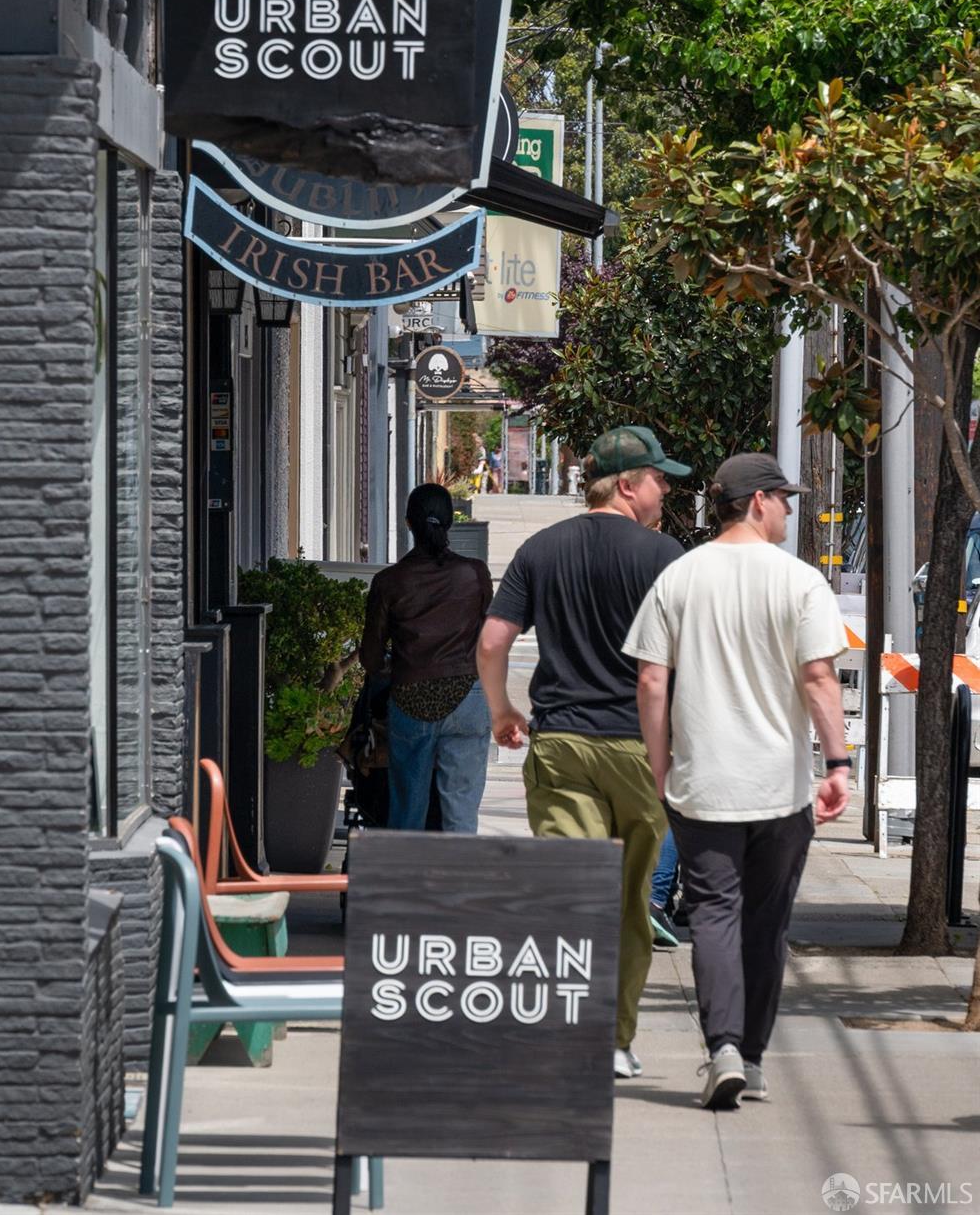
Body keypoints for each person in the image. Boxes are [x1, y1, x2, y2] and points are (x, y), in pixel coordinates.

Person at [624, 452, 850, 1110]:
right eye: (785, 499)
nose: (789, 511)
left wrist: (659, 762)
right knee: (766, 922)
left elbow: (650, 680)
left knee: (715, 915)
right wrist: (837, 766)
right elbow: (817, 678)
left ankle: (721, 1046)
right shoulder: (801, 583)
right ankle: (749, 1057)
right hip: (779, 788)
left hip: (704, 786)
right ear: (758, 501)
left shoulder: (681, 577)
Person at [477, 424, 691, 1078]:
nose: (664, 492)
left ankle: (561, 1026)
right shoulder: (663, 557)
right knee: (629, 905)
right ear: (627, 484)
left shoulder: (542, 550)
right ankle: (614, 1041)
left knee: (571, 897)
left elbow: (491, 641)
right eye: (658, 480)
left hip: (563, 744)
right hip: (638, 750)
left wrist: (502, 710)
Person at [360, 483, 493, 832]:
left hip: (411, 698)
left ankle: (411, 881)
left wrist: (392, 666)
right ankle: (456, 883)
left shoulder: (389, 581)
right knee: (461, 813)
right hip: (469, 696)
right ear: (450, 523)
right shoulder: (475, 573)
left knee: (408, 808)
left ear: (408, 524)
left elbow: (370, 658)